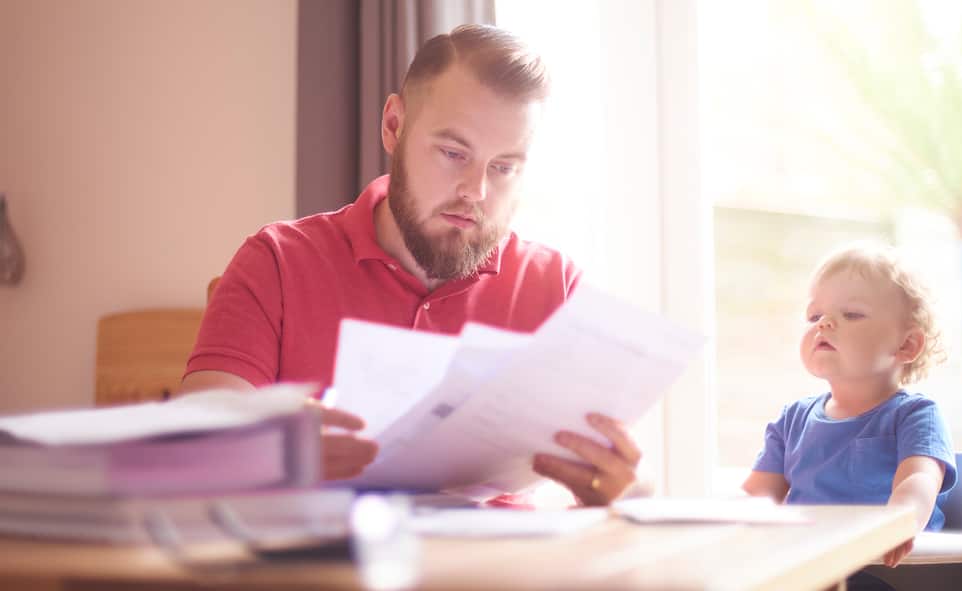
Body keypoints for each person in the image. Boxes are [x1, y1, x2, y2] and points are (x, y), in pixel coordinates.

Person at [180, 24, 640, 507]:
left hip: (499, 571)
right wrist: (274, 452)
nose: (475, 191)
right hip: (325, 569)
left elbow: (609, 481)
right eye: (453, 153)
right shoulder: (276, 261)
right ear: (394, 126)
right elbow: (195, 451)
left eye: (503, 167)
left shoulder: (557, 288)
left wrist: (608, 492)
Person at [741, 242, 956, 587]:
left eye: (851, 314)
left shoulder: (916, 415)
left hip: (880, 570)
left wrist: (898, 522)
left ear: (906, 346)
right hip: (805, 567)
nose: (824, 324)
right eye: (814, 316)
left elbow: (918, 483)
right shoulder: (791, 419)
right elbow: (755, 499)